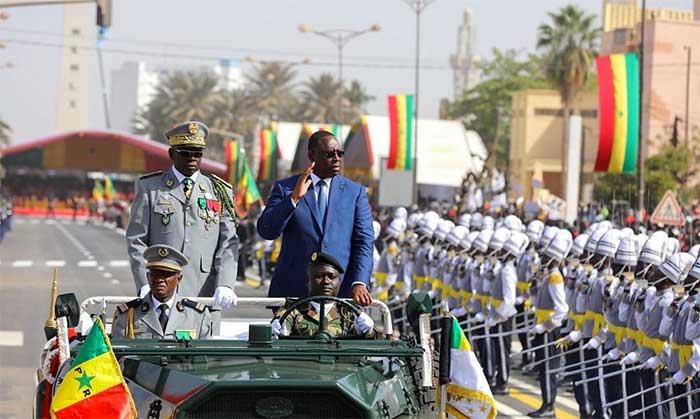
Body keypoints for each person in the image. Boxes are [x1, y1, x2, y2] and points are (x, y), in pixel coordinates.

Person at [126, 121, 239, 308]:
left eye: (197, 153)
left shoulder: (219, 190)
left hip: (204, 289)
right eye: (185, 153)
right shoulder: (150, 188)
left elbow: (228, 242)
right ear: (172, 154)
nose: (192, 158)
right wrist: (144, 282)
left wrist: (226, 283)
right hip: (160, 291)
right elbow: (136, 239)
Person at [257, 130, 374, 305]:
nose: (337, 159)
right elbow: (266, 230)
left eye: (340, 153)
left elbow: (364, 242)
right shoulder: (286, 188)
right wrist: (293, 199)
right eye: (329, 154)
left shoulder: (355, 192)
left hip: (339, 292)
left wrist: (359, 281)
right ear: (312, 155)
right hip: (294, 291)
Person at [112, 244, 213, 339]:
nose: (159, 280)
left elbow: (206, 354)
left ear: (179, 279)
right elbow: (118, 354)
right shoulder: (128, 314)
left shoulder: (197, 315)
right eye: (155, 274)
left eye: (166, 274)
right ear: (148, 277)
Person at [271, 252, 375, 338]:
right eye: (319, 276)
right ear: (308, 281)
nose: (326, 281)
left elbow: (381, 342)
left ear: (339, 281)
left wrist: (369, 332)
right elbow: (278, 338)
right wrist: (275, 334)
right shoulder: (293, 310)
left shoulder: (349, 312)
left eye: (331, 277)